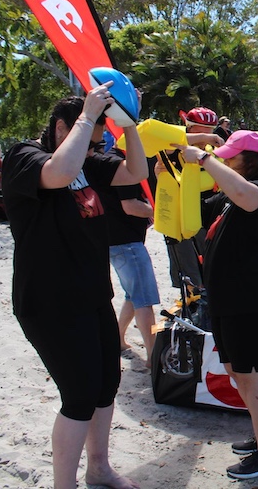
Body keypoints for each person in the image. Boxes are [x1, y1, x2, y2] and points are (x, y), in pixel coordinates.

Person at [1, 87, 148, 489]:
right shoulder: (23, 157)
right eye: (89, 139)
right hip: (49, 303)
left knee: (105, 386)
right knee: (80, 395)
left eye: (99, 141)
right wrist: (87, 119)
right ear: (62, 127)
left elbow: (136, 172)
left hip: (92, 295)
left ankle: (98, 468)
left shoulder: (88, 159)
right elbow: (59, 174)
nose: (94, 150)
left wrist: (129, 124)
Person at [177, 130, 258, 479]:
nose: (222, 159)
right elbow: (191, 213)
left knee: (255, 379)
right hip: (229, 301)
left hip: (249, 301)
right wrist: (174, 171)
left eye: (228, 156)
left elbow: (242, 191)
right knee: (240, 374)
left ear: (248, 160)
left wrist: (204, 159)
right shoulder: (227, 197)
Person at [98, 144, 160, 367]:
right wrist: (161, 214)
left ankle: (118, 338)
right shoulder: (121, 164)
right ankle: (154, 356)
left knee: (133, 295)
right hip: (127, 242)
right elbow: (130, 206)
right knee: (144, 298)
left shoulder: (108, 159)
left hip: (114, 239)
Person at [162, 107, 225, 289]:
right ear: (188, 128)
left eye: (210, 130)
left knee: (213, 263)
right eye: (201, 129)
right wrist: (203, 139)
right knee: (189, 267)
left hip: (211, 210)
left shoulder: (212, 150)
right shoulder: (176, 148)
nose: (207, 135)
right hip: (184, 214)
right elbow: (169, 140)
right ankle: (193, 302)